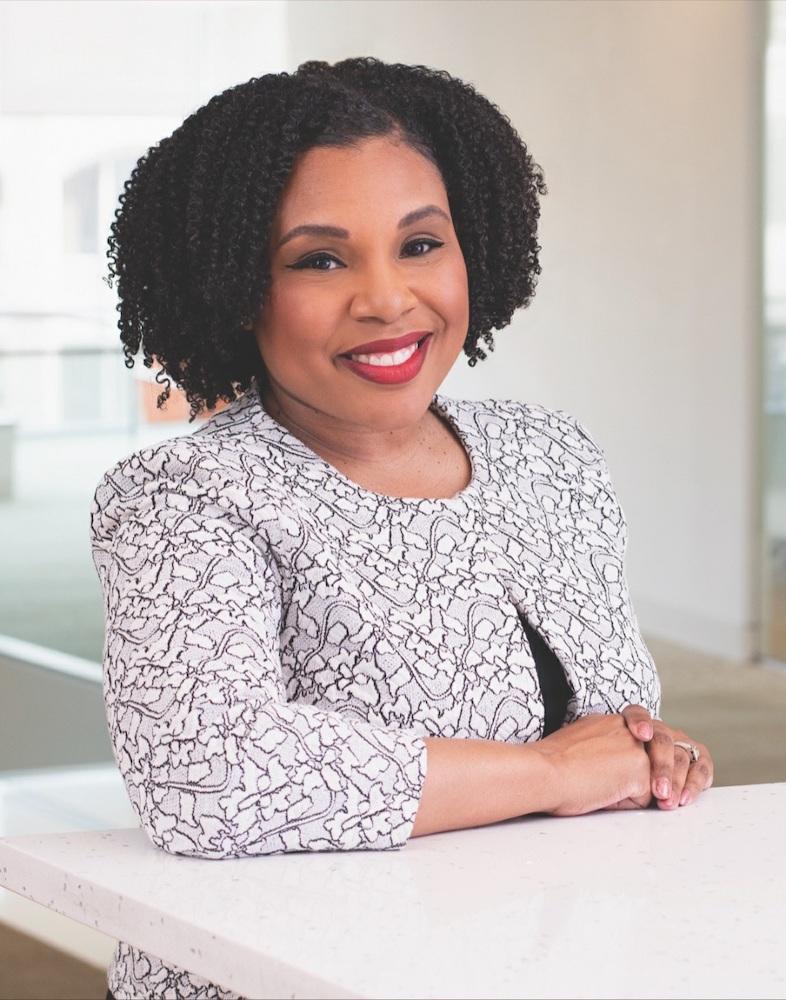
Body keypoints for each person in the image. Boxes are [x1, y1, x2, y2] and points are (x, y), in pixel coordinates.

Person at [91, 57, 714, 1000]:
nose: (386, 298)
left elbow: (587, 723)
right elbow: (207, 775)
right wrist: (549, 774)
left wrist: (641, 755)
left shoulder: (552, 457)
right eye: (320, 259)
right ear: (236, 287)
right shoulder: (184, 497)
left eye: (420, 245)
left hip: (532, 959)